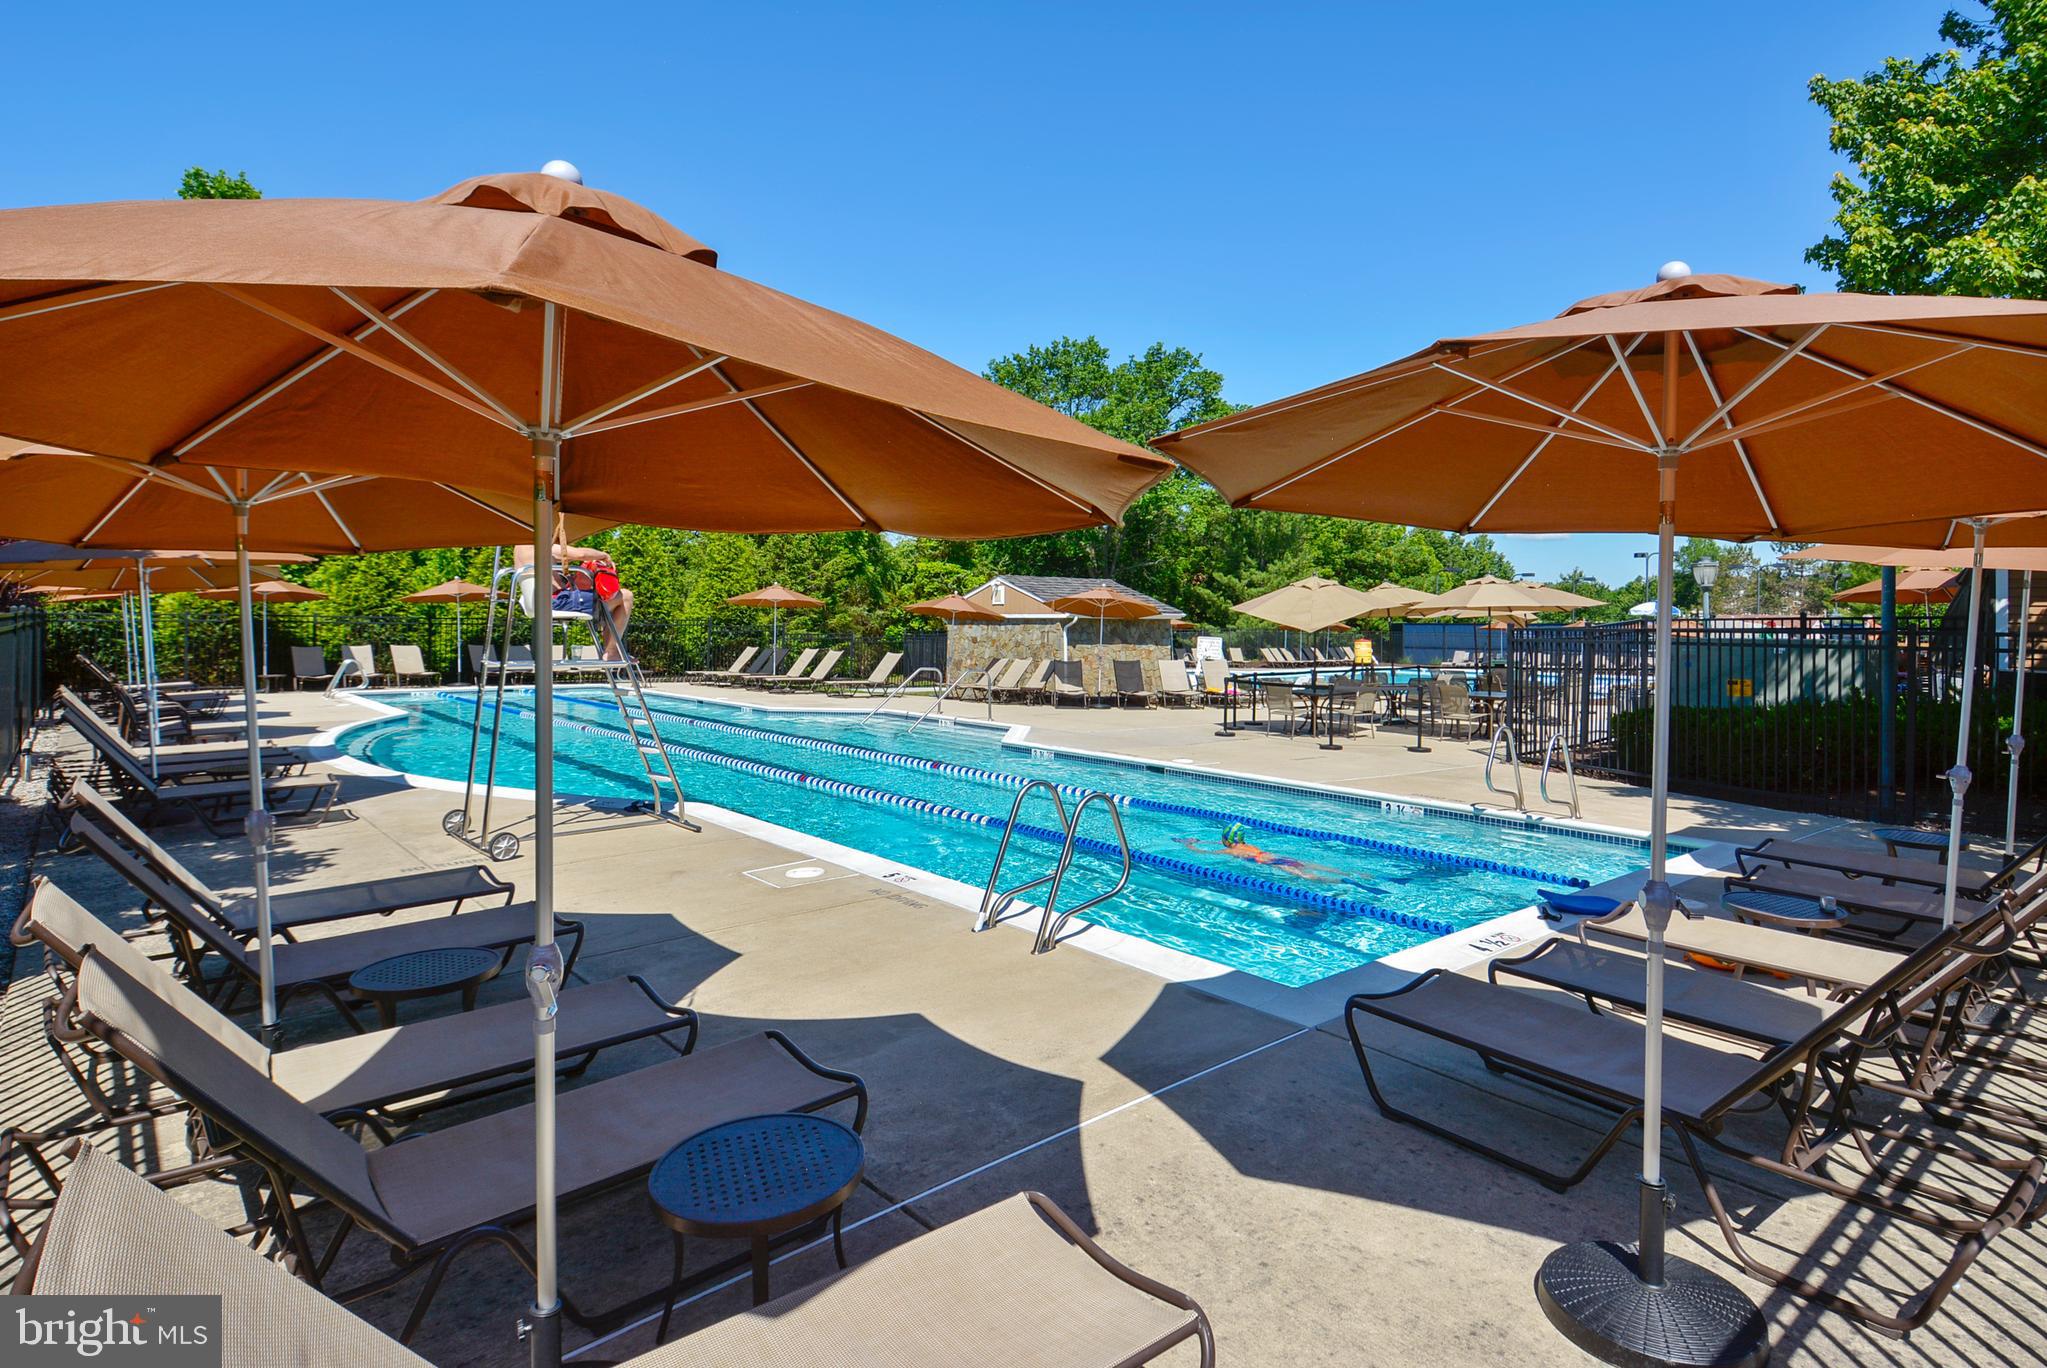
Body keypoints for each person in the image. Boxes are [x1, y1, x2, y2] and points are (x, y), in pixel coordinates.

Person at [513, 541, 634, 661]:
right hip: (556, 602)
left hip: (542, 602)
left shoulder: (520, 549)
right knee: (625, 596)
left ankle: (609, 647)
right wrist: (604, 555)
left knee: (599, 595)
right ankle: (611, 652)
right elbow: (580, 554)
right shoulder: (537, 542)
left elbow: (563, 561)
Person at [1177, 823, 1345, 882]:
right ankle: (1346, 873)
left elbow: (1205, 853)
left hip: (1267, 862)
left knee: (1305, 876)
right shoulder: (1246, 845)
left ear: (1227, 839)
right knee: (1306, 865)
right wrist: (1202, 840)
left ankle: (1337, 881)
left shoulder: (1229, 851)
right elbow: (1216, 844)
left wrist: (1189, 845)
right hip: (1273, 856)